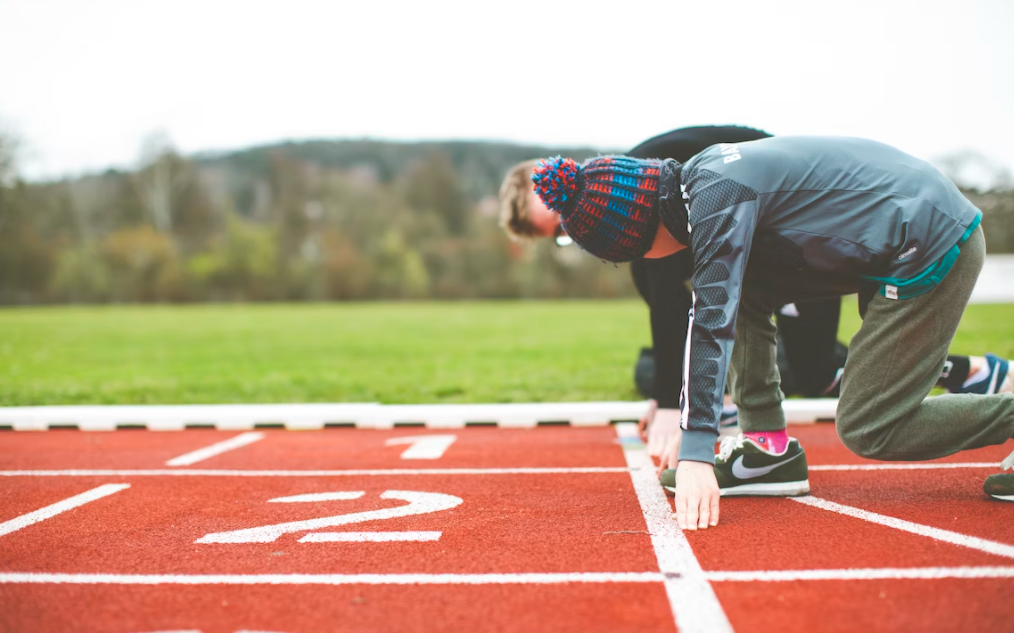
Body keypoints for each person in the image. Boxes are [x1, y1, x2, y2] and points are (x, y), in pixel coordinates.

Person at [529, 135, 1014, 530]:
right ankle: (767, 449)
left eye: (624, 256)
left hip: (931, 242)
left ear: (638, 237)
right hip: (902, 230)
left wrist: (697, 452)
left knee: (871, 425)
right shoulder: (704, 179)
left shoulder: (717, 199)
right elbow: (725, 298)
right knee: (737, 289)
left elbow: (711, 322)